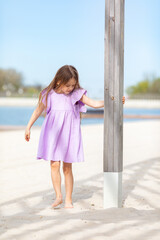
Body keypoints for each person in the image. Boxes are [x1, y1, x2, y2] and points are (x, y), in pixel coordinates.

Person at [24, 65, 125, 209]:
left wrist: (113, 101)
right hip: (52, 134)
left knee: (67, 167)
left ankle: (68, 200)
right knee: (54, 165)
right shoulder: (48, 94)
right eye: (68, 85)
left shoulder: (76, 94)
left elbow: (95, 103)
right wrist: (28, 127)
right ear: (59, 81)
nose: (70, 88)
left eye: (73, 85)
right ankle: (59, 196)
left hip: (69, 134)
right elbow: (38, 111)